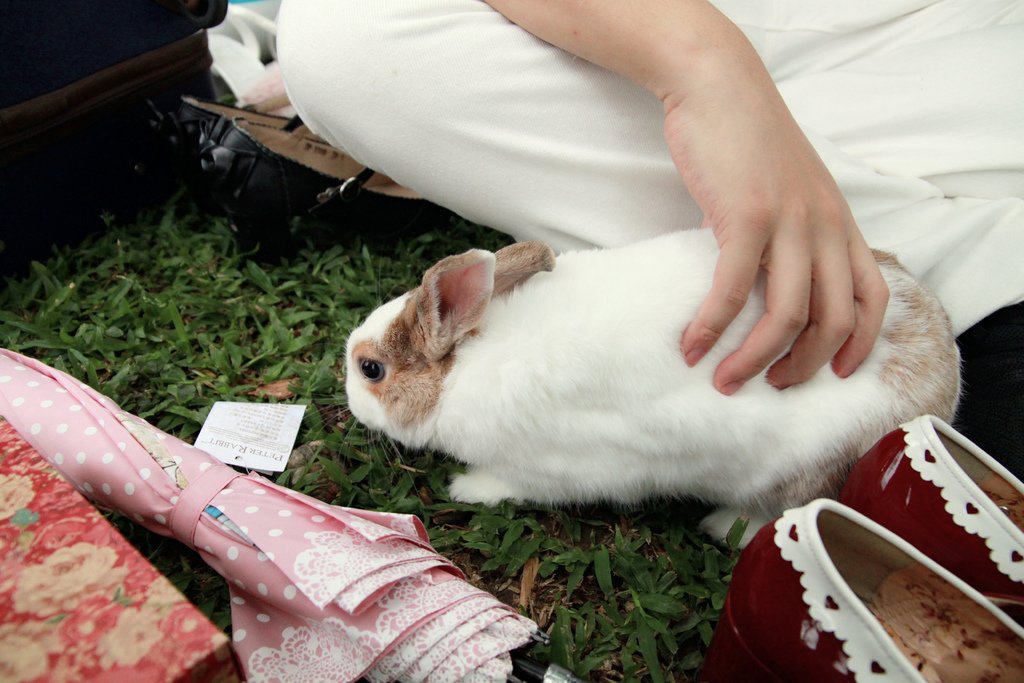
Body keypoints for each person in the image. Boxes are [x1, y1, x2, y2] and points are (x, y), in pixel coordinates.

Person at [275, 0, 1024, 476]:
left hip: (964, 56)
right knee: (339, 33)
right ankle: (875, 242)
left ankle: (883, 243)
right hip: (687, 30)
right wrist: (707, 70)